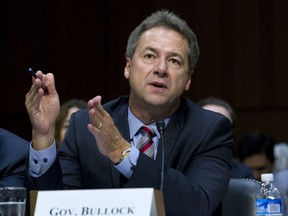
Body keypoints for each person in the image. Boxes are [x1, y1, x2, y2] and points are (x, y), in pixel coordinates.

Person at [25, 10, 233, 215]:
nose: (161, 68)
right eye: (150, 56)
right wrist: (44, 136)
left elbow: (198, 205)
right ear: (128, 66)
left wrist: (122, 152)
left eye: (174, 61)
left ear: (188, 79)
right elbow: (55, 207)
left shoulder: (209, 130)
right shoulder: (86, 126)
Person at [197, 97, 254, 179]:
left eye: (222, 126)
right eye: (207, 125)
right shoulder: (176, 170)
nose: (214, 132)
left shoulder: (242, 173)